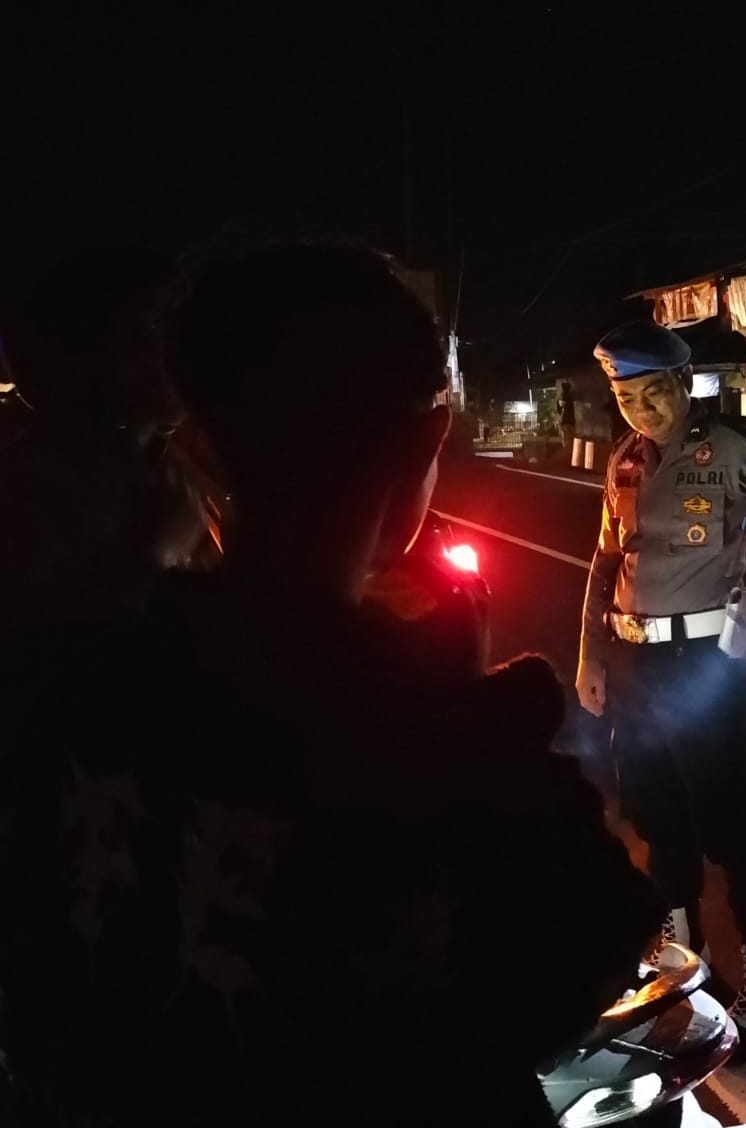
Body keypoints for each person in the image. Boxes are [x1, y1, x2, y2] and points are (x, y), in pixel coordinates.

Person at [145, 243, 660, 1126]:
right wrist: (476, 714)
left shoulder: (97, 676)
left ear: (196, 452)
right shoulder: (441, 730)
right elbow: (601, 934)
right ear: (427, 441)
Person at [0, 247, 212, 1125]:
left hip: (142, 860)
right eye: (141, 341)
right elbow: (83, 676)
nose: (168, 362)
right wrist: (163, 557)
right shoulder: (19, 490)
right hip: (64, 865)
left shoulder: (154, 470)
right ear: (67, 360)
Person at [576, 321, 746, 1034]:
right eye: (626, 396)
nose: (641, 409)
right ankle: (682, 962)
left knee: (729, 824)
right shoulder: (625, 461)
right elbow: (607, 561)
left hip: (702, 664)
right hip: (633, 665)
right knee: (657, 819)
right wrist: (591, 655)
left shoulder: (737, 445)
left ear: (682, 384)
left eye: (653, 392)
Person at [558, 379, 577, 460]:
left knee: (567, 438)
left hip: (567, 420)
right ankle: (568, 454)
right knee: (569, 437)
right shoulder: (570, 396)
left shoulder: (564, 397)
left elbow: (560, 409)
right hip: (570, 420)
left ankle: (567, 455)